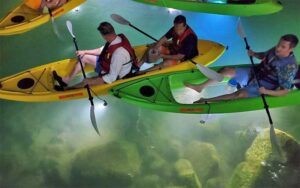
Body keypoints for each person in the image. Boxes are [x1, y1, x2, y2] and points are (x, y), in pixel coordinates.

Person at [185, 34, 299, 103]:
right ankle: (200, 87)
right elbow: (264, 56)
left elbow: (285, 91)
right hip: (254, 73)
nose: (278, 48)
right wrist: (254, 54)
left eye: (282, 47)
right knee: (226, 71)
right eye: (279, 44)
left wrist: (266, 91)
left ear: (290, 49)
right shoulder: (276, 49)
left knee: (239, 95)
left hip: (263, 86)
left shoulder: (289, 67)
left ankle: (206, 100)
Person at [53, 22, 138, 90]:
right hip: (109, 64)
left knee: (86, 82)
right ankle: (65, 80)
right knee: (83, 57)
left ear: (104, 35)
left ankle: (67, 89)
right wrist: (84, 52)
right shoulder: (115, 38)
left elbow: (112, 77)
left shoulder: (118, 54)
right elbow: (101, 50)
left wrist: (92, 80)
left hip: (117, 75)